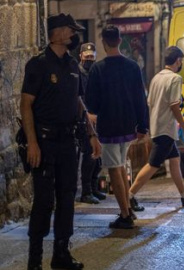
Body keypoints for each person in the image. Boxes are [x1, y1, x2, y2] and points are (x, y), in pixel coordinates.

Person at [20, 13, 101, 270]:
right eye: (70, 30)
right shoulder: (38, 64)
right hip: (44, 142)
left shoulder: (72, 66)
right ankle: (35, 260)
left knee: (67, 198)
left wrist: (91, 134)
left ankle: (61, 254)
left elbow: (78, 102)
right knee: (44, 201)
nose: (74, 35)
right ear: (56, 32)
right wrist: (32, 143)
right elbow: (26, 105)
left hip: (68, 142)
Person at [85, 25, 149, 229]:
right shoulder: (133, 67)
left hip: (109, 127)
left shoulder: (98, 69)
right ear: (120, 41)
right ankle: (128, 209)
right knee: (121, 165)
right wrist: (143, 126)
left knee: (114, 169)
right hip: (129, 125)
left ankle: (124, 214)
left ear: (103, 42)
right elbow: (141, 98)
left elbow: (92, 103)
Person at [128, 46, 184, 209]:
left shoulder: (156, 78)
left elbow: (150, 103)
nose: (181, 63)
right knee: (153, 164)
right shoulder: (175, 78)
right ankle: (129, 195)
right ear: (177, 61)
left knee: (175, 160)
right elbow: (175, 105)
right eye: (181, 60)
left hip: (157, 126)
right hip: (166, 129)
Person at [78, 42, 106, 204]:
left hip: (97, 118)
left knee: (98, 156)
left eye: (91, 57)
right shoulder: (78, 72)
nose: (89, 59)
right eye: (86, 56)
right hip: (84, 120)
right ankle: (86, 191)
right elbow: (78, 97)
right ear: (81, 55)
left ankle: (94, 188)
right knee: (89, 154)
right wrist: (87, 115)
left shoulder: (95, 72)